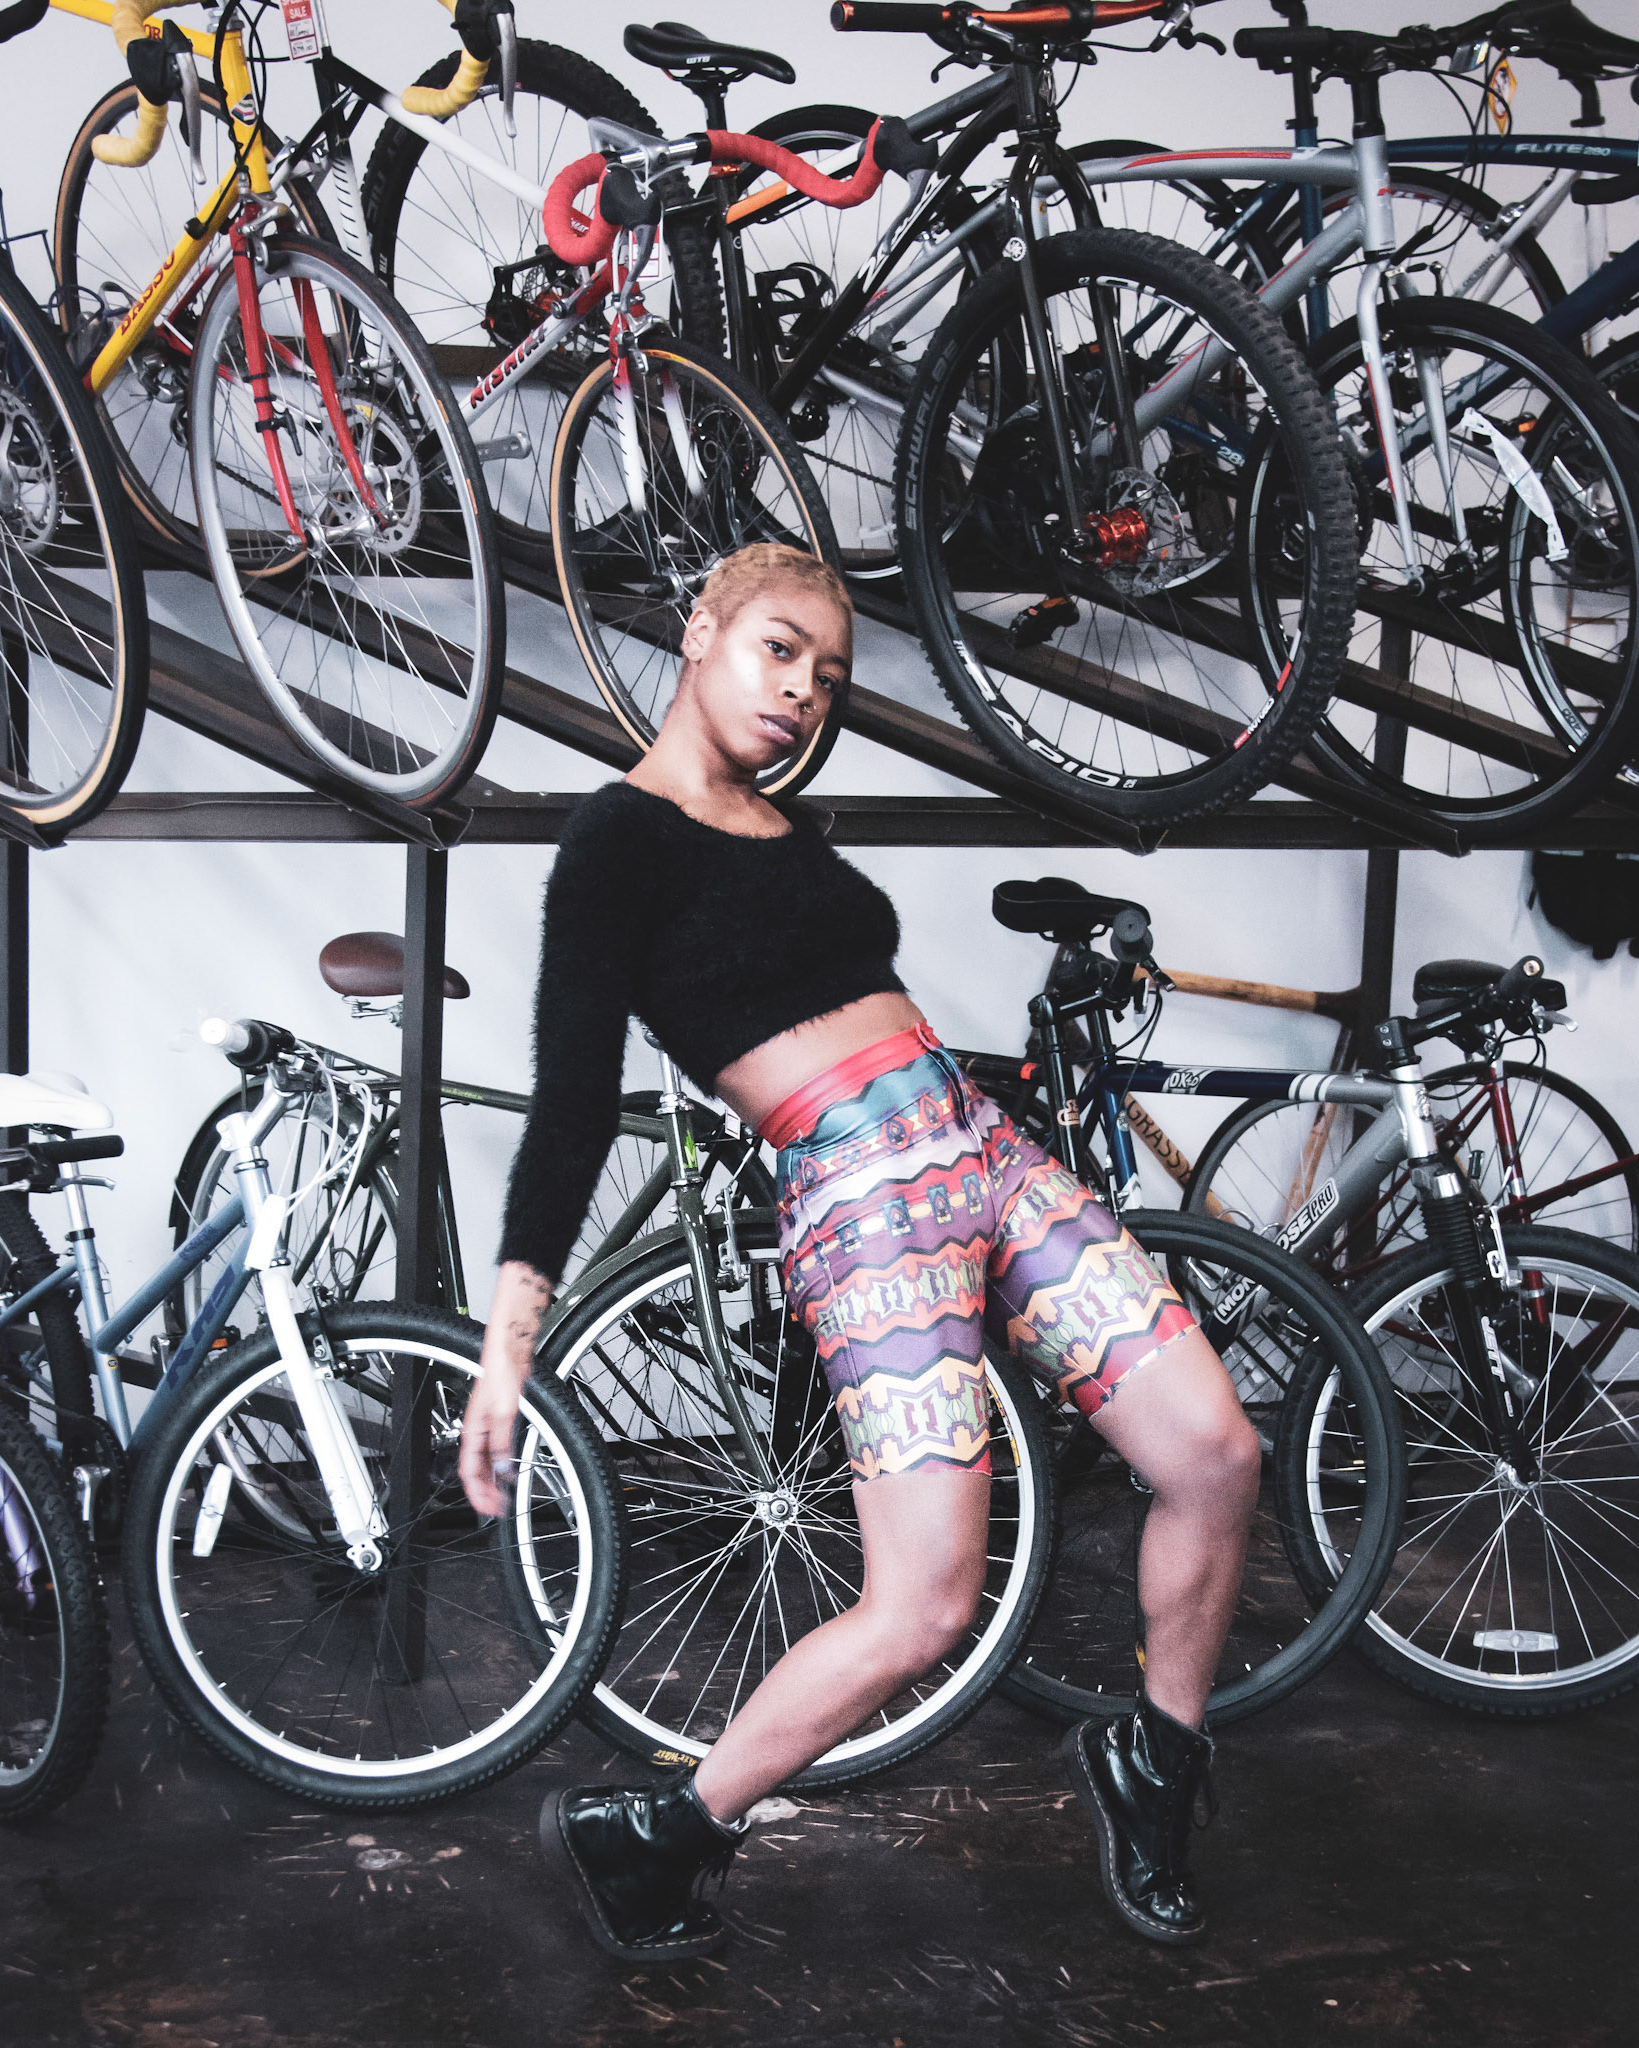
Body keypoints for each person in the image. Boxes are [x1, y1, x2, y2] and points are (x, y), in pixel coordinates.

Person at [458, 542, 1260, 1963]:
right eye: (779, 649)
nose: (802, 693)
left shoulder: (785, 826)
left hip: (979, 1149)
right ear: (700, 630)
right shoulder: (616, 844)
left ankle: (1156, 1758)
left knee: (1215, 1453)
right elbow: (571, 1103)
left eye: (827, 676)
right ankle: (662, 1834)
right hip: (865, 1204)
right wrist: (507, 1347)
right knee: (928, 1603)